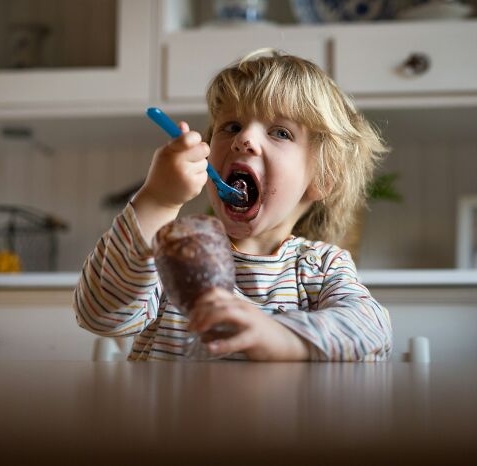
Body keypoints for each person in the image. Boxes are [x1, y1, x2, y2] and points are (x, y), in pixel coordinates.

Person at [73, 49, 392, 361]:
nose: (244, 139)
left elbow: (372, 329)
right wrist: (157, 200)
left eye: (280, 132)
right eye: (232, 126)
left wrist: (280, 336)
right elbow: (102, 316)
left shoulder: (320, 267)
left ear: (324, 177)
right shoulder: (176, 248)